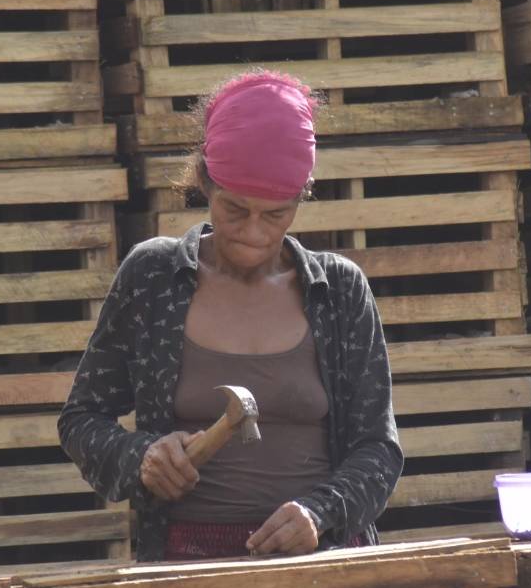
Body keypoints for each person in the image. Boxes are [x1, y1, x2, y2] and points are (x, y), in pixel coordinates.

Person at [58, 70, 402, 562]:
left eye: (276, 214)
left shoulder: (339, 292)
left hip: (325, 564)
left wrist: (320, 513)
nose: (254, 233)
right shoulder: (153, 278)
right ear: (204, 180)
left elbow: (379, 450)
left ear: (301, 198)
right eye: (235, 210)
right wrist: (142, 458)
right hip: (186, 567)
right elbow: (81, 420)